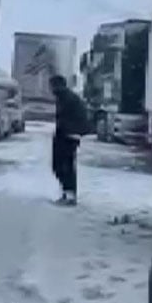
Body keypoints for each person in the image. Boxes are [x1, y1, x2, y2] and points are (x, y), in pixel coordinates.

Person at [50, 74, 90, 206]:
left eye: (51, 85)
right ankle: (68, 193)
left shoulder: (65, 98)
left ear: (56, 85)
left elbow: (68, 117)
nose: (50, 88)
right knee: (63, 165)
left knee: (62, 165)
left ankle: (69, 194)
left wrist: (69, 131)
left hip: (67, 135)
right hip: (68, 134)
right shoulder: (66, 96)